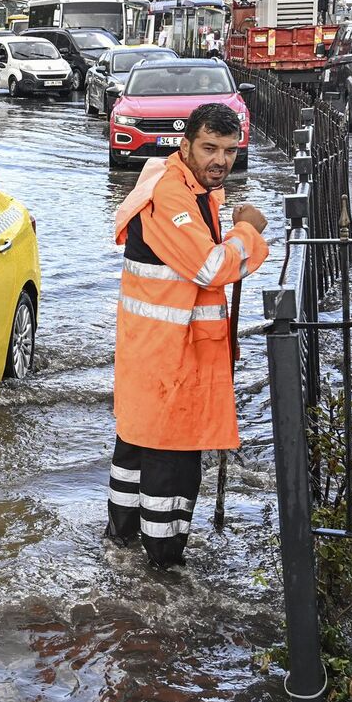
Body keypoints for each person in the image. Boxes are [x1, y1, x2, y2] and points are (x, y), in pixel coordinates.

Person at [105, 102, 270, 569]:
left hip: (156, 348)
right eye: (209, 148)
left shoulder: (187, 186)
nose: (221, 160)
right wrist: (248, 231)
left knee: (138, 442)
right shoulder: (174, 197)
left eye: (229, 150)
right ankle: (162, 570)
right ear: (185, 145)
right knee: (169, 461)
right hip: (167, 355)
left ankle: (121, 546)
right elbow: (211, 267)